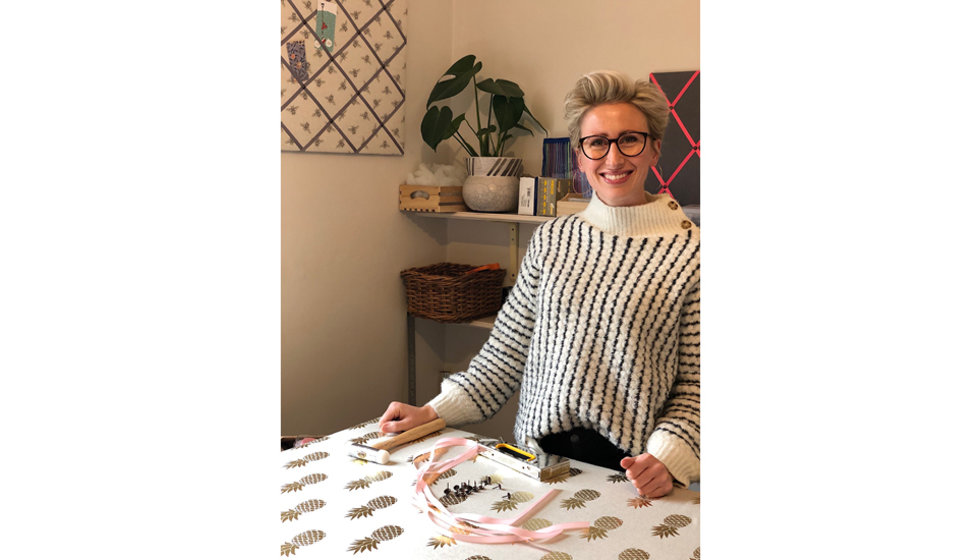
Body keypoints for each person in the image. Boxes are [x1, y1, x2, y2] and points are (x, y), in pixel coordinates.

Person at [381, 70, 699, 498]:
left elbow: (698, 386)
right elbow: (505, 356)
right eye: (597, 142)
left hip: (633, 477)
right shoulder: (552, 239)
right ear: (581, 157)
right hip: (535, 467)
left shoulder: (693, 252)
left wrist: (667, 457)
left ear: (655, 147)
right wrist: (431, 412)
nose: (613, 157)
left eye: (630, 139)